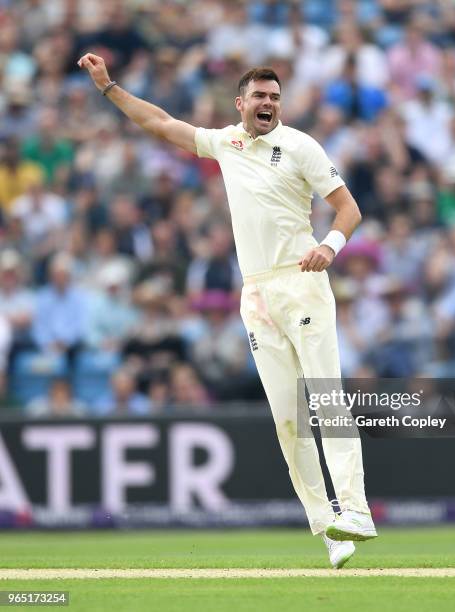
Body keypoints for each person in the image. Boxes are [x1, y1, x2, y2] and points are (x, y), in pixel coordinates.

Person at [78, 53, 377, 569]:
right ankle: (329, 529)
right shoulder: (226, 142)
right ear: (240, 104)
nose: (268, 104)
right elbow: (161, 123)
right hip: (256, 293)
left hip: (302, 279)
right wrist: (109, 89)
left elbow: (349, 208)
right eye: (259, 97)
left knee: (326, 395)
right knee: (287, 418)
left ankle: (355, 510)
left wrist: (329, 245)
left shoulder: (300, 145)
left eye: (275, 97)